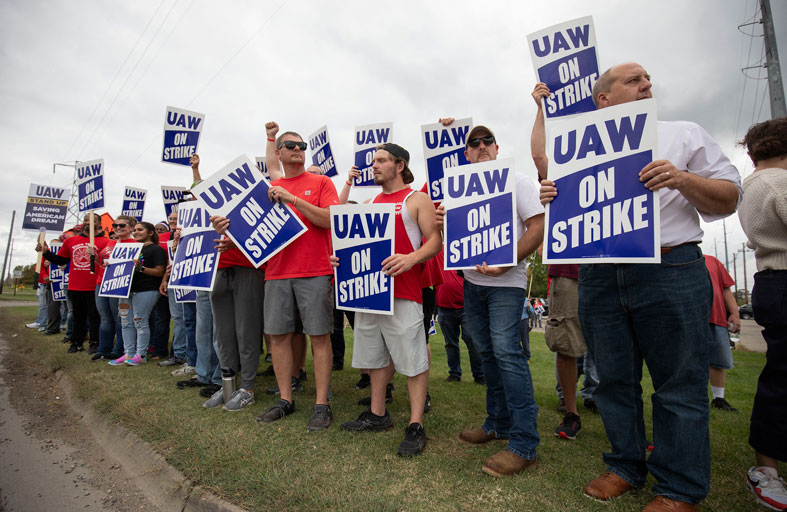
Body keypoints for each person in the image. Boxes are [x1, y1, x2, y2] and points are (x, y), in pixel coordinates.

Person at [540, 62, 741, 511]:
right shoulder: (577, 150)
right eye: (634, 80)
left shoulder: (683, 134)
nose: (647, 84)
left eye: (648, 79)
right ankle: (625, 465)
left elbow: (729, 197)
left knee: (678, 382)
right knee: (612, 380)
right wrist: (554, 196)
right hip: (599, 274)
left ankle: (678, 487)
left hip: (671, 268)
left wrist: (681, 178)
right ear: (604, 99)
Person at [214, 122, 338, 430]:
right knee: (279, 337)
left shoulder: (321, 182)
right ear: (279, 153)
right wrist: (230, 234)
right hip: (277, 273)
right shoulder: (268, 189)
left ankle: (321, 404)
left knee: (319, 336)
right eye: (291, 146)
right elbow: (256, 232)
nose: (298, 150)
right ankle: (285, 399)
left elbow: (330, 220)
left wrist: (294, 200)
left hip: (314, 270)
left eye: (302, 146)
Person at [439, 120, 545, 477]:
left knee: (507, 353)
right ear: (466, 153)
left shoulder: (518, 181)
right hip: (472, 285)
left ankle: (524, 443)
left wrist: (508, 262)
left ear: (497, 149)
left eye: (488, 140)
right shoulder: (457, 191)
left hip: (507, 284)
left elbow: (537, 226)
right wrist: (442, 221)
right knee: (487, 353)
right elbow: (452, 238)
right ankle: (497, 423)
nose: (482, 145)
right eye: (475, 142)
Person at [336, 143, 440, 456]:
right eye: (373, 161)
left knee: (413, 360)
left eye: (381, 160)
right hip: (370, 295)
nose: (375, 166)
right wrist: (341, 259)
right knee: (376, 358)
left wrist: (411, 258)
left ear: (400, 165)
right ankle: (378, 414)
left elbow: (435, 241)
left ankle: (416, 424)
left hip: (404, 293)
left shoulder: (416, 199)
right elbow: (355, 245)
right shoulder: (369, 203)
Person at [531, 81, 589, 441]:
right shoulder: (562, 175)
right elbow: (540, 157)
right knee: (567, 344)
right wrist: (541, 108)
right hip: (569, 272)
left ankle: (624, 417)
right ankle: (571, 411)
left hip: (616, 268)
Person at [737, 117, 787, 511]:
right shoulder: (778, 183)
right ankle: (766, 468)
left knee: (779, 375)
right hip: (781, 275)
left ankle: (767, 466)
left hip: (770, 279)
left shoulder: (751, 185)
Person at [38, 213, 108, 353]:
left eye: (93, 220)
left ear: (99, 224)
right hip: (75, 285)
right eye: (86, 220)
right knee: (77, 316)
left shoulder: (105, 242)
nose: (88, 222)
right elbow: (61, 260)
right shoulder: (71, 241)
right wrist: (46, 253)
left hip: (95, 286)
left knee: (95, 316)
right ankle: (76, 342)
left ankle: (94, 342)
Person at [110, 222, 167, 366]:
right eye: (134, 230)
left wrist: (141, 268)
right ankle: (128, 353)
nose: (136, 232)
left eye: (140, 230)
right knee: (125, 322)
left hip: (146, 290)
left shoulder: (156, 250)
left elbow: (160, 271)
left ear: (151, 233)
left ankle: (141, 354)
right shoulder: (129, 249)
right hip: (126, 290)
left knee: (140, 321)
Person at [92, 215, 137, 361]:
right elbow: (101, 264)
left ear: (131, 228)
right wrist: (95, 256)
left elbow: (138, 264)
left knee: (119, 318)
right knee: (105, 318)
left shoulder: (135, 244)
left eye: (122, 225)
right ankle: (103, 349)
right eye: (115, 225)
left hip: (118, 285)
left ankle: (119, 349)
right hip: (101, 283)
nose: (118, 228)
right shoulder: (110, 242)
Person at [437, 253, 484, 384]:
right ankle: (454, 373)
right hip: (444, 306)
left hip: (467, 306)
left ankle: (479, 374)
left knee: (472, 340)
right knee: (450, 343)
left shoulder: (463, 250)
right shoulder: (438, 250)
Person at [703, 254, 740, 412]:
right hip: (689, 318)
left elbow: (726, 289)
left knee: (718, 360)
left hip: (716, 317)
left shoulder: (712, 261)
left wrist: (734, 313)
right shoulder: (677, 256)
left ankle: (719, 399)